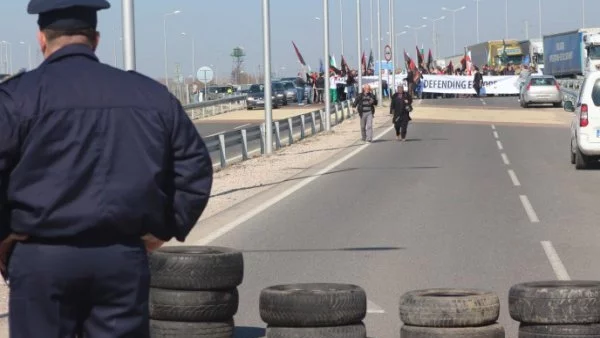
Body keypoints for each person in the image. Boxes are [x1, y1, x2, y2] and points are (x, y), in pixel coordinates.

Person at [0, 1, 214, 337]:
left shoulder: (16, 98)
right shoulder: (149, 95)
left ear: (42, 39)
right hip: (121, 258)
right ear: (95, 39)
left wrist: (4, 234)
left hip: (41, 260)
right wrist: (166, 226)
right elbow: (194, 166)